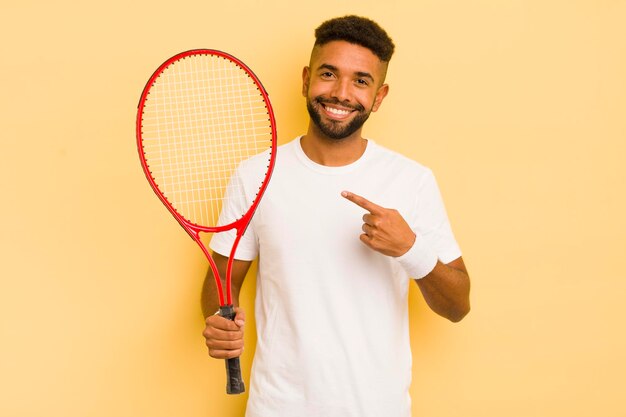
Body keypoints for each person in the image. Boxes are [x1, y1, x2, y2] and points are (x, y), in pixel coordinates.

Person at [201, 15, 471, 417]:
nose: (341, 93)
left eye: (361, 81)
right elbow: (219, 284)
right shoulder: (256, 175)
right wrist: (218, 322)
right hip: (277, 407)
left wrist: (410, 249)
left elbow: (458, 305)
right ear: (307, 78)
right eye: (329, 74)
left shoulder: (411, 180)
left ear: (379, 97)